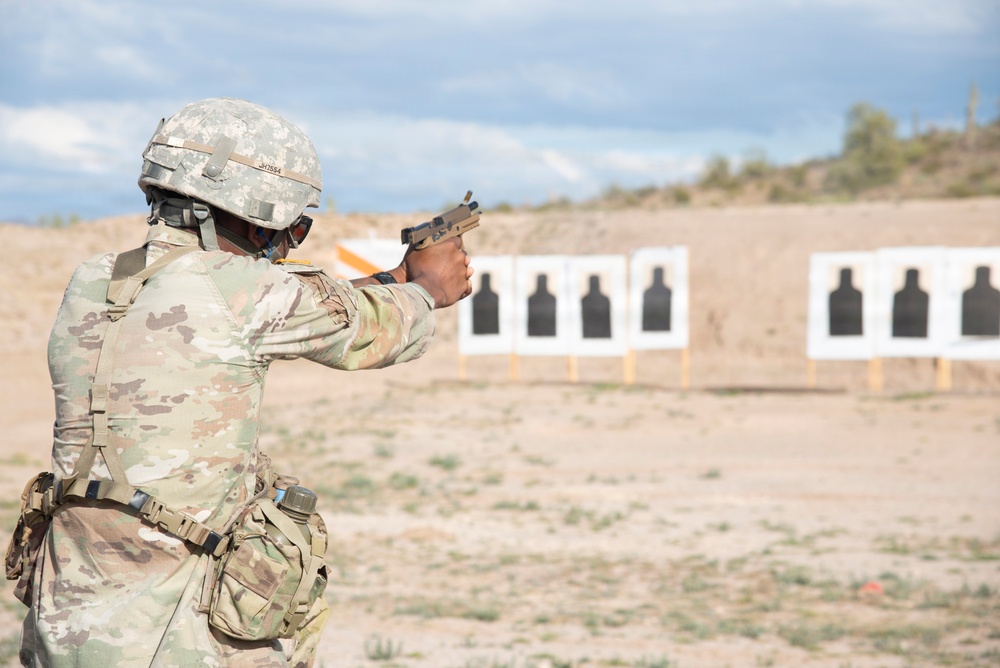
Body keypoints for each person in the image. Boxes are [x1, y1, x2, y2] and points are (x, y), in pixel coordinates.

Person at [16, 98, 473, 667]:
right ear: (255, 216)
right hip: (177, 628)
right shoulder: (244, 293)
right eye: (291, 227)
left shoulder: (94, 277)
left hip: (70, 609)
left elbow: (271, 305)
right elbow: (370, 331)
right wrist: (426, 289)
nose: (286, 240)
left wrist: (391, 277)